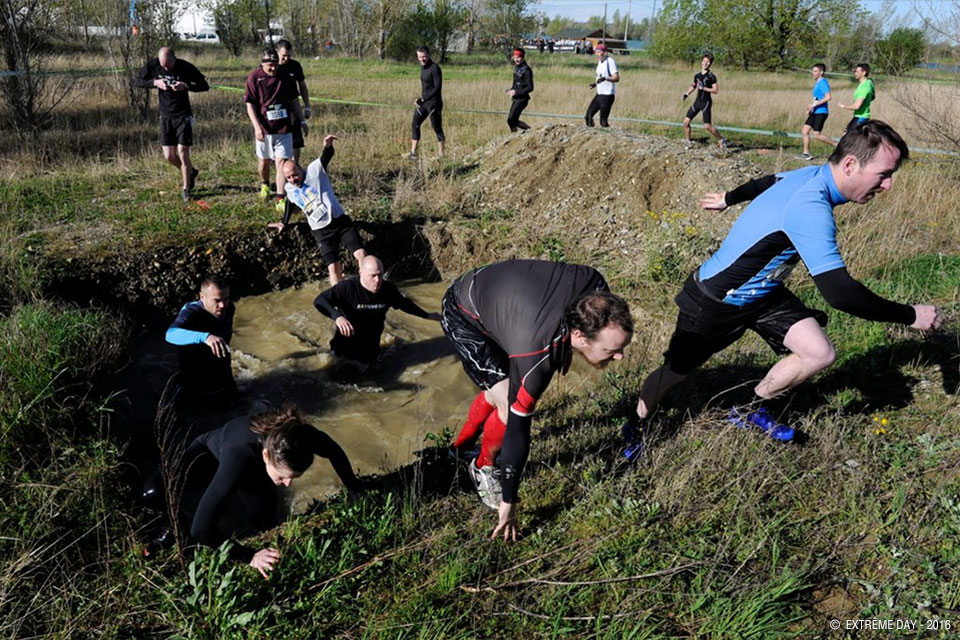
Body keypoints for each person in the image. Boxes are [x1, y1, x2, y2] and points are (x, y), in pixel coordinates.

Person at [633, 121, 942, 443]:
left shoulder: (808, 175)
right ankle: (635, 424)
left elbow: (765, 182)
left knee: (818, 353)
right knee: (675, 373)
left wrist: (728, 198)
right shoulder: (811, 208)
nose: (888, 185)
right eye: (884, 174)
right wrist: (910, 316)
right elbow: (840, 294)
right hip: (716, 300)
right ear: (850, 164)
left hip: (763, 293)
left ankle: (749, 409)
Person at [442, 260, 633, 541]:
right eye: (611, 350)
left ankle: (459, 447)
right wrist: (509, 501)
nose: (619, 357)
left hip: (500, 300)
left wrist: (566, 348)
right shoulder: (536, 356)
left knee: (498, 386)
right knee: (509, 403)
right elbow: (519, 434)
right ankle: (482, 467)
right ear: (579, 336)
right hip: (463, 312)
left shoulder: (596, 286)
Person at [176, 406, 362, 576]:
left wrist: (354, 486)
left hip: (257, 467)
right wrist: (249, 557)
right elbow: (200, 528)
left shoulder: (302, 437)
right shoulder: (239, 456)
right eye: (283, 477)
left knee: (263, 522)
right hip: (208, 456)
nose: (288, 484)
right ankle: (174, 534)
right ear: (266, 455)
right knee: (151, 495)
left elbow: (334, 451)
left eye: (293, 477)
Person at [268, 134, 366, 287]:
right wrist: (283, 222)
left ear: (301, 170)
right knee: (333, 268)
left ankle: (366, 287)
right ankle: (340, 299)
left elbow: (326, 157)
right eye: (288, 178)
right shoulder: (290, 188)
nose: (293, 180)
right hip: (321, 231)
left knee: (361, 254)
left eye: (295, 175)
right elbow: (290, 204)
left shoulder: (315, 172)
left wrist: (327, 146)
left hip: (340, 222)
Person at [313, 255, 441, 367]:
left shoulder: (388, 289)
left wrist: (426, 315)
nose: (377, 280)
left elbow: (404, 304)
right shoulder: (347, 288)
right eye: (373, 276)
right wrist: (337, 317)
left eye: (380, 275)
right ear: (361, 273)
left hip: (371, 347)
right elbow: (319, 301)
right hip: (344, 346)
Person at [134, 47, 209, 202]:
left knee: (182, 152)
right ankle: (191, 172)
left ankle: (186, 189)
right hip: (166, 116)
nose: (166, 69)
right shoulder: (153, 65)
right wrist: (155, 83)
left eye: (168, 66)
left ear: (174, 59)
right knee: (169, 156)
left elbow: (204, 85)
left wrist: (186, 86)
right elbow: (137, 81)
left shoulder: (185, 67)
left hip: (183, 116)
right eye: (163, 66)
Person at [165, 276, 237, 410]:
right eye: (217, 300)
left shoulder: (229, 308)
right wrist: (205, 337)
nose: (223, 305)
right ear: (202, 297)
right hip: (195, 384)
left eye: (226, 299)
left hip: (223, 376)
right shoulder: (191, 313)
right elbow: (170, 334)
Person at [244, 48, 304, 208]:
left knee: (281, 163)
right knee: (264, 162)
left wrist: (302, 120)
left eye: (275, 65)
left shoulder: (286, 77)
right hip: (264, 130)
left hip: (284, 128)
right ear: (263, 64)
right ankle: (264, 183)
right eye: (270, 65)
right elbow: (249, 105)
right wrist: (257, 127)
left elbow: (294, 101)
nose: (273, 68)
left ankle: (280, 197)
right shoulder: (254, 78)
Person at [682, 53, 727, 150]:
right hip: (697, 102)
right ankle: (688, 141)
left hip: (706, 103)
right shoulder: (697, 75)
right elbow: (693, 85)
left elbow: (716, 90)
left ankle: (721, 139)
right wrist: (687, 93)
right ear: (701, 62)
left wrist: (704, 88)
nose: (705, 63)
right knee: (686, 123)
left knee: (707, 127)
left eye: (708, 62)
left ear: (710, 64)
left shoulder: (711, 76)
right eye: (704, 61)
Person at [407, 46, 445, 159]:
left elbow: (437, 88)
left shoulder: (435, 68)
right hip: (425, 102)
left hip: (434, 103)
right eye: (419, 57)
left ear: (428, 55)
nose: (422, 59)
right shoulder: (423, 68)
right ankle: (413, 153)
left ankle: (441, 155)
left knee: (436, 127)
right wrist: (420, 99)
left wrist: (424, 99)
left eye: (424, 56)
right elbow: (426, 88)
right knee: (415, 123)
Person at [277, 39, 311, 164]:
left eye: (289, 56)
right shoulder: (270, 66)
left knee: (296, 137)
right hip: (275, 107)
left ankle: (295, 165)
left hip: (292, 105)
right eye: (283, 56)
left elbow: (302, 85)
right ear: (277, 52)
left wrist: (307, 106)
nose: (286, 58)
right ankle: (279, 163)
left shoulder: (295, 66)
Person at [798, 63, 836, 160]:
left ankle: (836, 144)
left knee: (817, 135)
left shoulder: (823, 83)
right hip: (815, 111)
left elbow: (828, 97)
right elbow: (817, 98)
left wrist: (814, 105)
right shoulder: (818, 83)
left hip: (821, 112)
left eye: (815, 71)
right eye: (813, 71)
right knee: (804, 131)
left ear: (821, 72)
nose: (813, 73)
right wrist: (811, 108)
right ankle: (806, 154)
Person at [584, 44, 619, 127]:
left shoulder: (610, 61)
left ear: (605, 53)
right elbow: (601, 77)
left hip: (607, 95)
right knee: (588, 117)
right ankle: (592, 135)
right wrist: (595, 84)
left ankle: (609, 137)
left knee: (603, 122)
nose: (597, 54)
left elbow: (616, 78)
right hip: (599, 94)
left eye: (599, 52)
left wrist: (605, 78)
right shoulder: (600, 62)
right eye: (596, 52)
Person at [839, 63, 876, 132]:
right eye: (855, 71)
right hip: (861, 116)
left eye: (857, 72)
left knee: (847, 136)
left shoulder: (864, 87)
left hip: (861, 117)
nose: (855, 73)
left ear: (864, 73)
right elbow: (873, 96)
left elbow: (856, 107)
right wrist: (865, 102)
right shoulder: (869, 82)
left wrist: (842, 106)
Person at [506, 48, 534, 133]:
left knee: (511, 119)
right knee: (511, 120)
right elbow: (515, 84)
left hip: (522, 99)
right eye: (514, 57)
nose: (516, 59)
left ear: (523, 57)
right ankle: (518, 135)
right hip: (516, 98)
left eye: (518, 57)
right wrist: (511, 90)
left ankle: (530, 131)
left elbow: (530, 87)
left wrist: (516, 92)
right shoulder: (517, 68)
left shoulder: (527, 70)